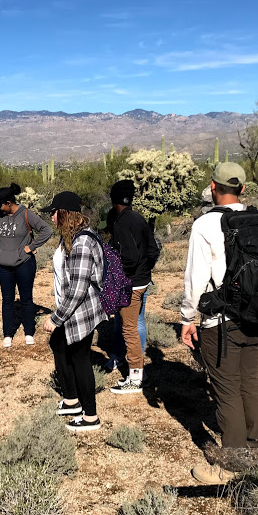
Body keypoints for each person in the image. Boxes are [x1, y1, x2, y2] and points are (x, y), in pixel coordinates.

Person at [180, 162, 258, 484]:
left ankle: (231, 466)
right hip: (256, 317)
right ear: (243, 189)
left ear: (213, 186)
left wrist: (187, 318)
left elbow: (195, 279)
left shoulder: (205, 225)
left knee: (226, 391)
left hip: (221, 323)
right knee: (249, 383)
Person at [42, 191, 108, 432]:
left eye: (54, 212)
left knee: (80, 359)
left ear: (65, 213)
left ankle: (90, 416)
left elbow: (79, 288)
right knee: (59, 345)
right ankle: (71, 400)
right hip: (73, 309)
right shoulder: (72, 237)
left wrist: (56, 318)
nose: (51, 217)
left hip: (81, 312)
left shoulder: (81, 242)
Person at [104, 179, 160, 394]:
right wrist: (145, 270)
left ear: (113, 199)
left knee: (129, 329)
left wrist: (120, 276)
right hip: (142, 281)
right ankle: (139, 373)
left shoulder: (121, 222)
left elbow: (129, 257)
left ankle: (135, 378)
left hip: (131, 285)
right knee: (137, 324)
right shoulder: (138, 218)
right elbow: (153, 249)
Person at [0, 183, 53, 348]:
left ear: (9, 203)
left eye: (1, 205)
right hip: (4, 266)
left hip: (24, 264)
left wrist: (31, 247)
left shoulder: (26, 214)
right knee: (7, 301)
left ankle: (29, 332)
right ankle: (7, 334)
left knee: (26, 300)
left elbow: (47, 230)